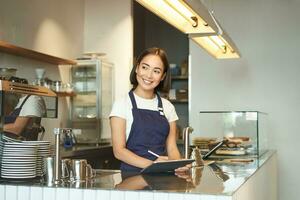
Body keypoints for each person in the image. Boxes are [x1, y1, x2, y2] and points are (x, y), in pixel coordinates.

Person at [110, 47, 189, 172]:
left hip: (162, 178)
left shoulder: (167, 106)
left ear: (162, 76)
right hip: (131, 179)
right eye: (145, 67)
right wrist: (152, 165)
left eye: (156, 71)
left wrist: (176, 166)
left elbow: (172, 148)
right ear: (137, 68)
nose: (149, 75)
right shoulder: (121, 104)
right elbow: (119, 151)